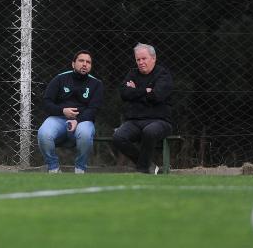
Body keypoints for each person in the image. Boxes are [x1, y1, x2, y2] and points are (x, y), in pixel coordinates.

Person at [37, 50, 103, 174]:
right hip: (59, 118)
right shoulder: (60, 79)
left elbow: (94, 109)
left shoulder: (96, 84)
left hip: (83, 120)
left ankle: (80, 169)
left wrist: (77, 120)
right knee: (44, 133)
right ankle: (53, 168)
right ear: (73, 64)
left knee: (85, 133)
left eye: (88, 62)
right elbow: (47, 102)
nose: (85, 64)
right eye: (81, 61)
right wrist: (62, 110)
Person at [113, 43, 173, 174]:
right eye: (138, 59)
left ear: (153, 58)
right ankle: (148, 165)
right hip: (134, 121)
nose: (140, 62)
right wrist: (146, 91)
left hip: (160, 121)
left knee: (149, 131)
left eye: (144, 58)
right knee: (118, 137)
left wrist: (135, 92)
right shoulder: (132, 73)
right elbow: (124, 93)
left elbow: (156, 96)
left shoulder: (163, 75)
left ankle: (142, 169)